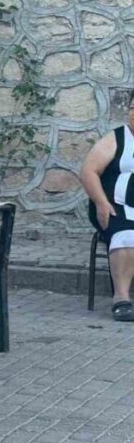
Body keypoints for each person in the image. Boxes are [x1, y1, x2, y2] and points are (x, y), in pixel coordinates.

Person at [80, 91, 134, 321]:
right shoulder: (117, 139)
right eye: (132, 108)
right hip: (114, 206)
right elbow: (88, 171)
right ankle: (121, 297)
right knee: (126, 235)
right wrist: (101, 203)